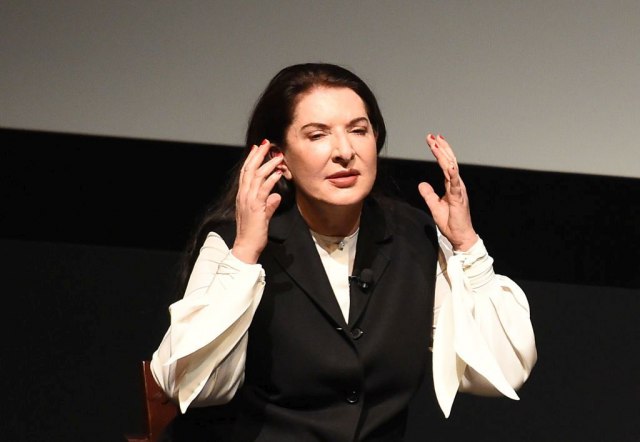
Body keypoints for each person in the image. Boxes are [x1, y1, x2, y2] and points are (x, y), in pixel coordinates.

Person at [150, 62, 537, 441]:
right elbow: (188, 386)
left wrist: (468, 246)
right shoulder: (235, 241)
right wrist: (245, 255)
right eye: (317, 135)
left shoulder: (413, 237)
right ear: (278, 158)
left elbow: (502, 371)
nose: (344, 151)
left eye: (358, 130)